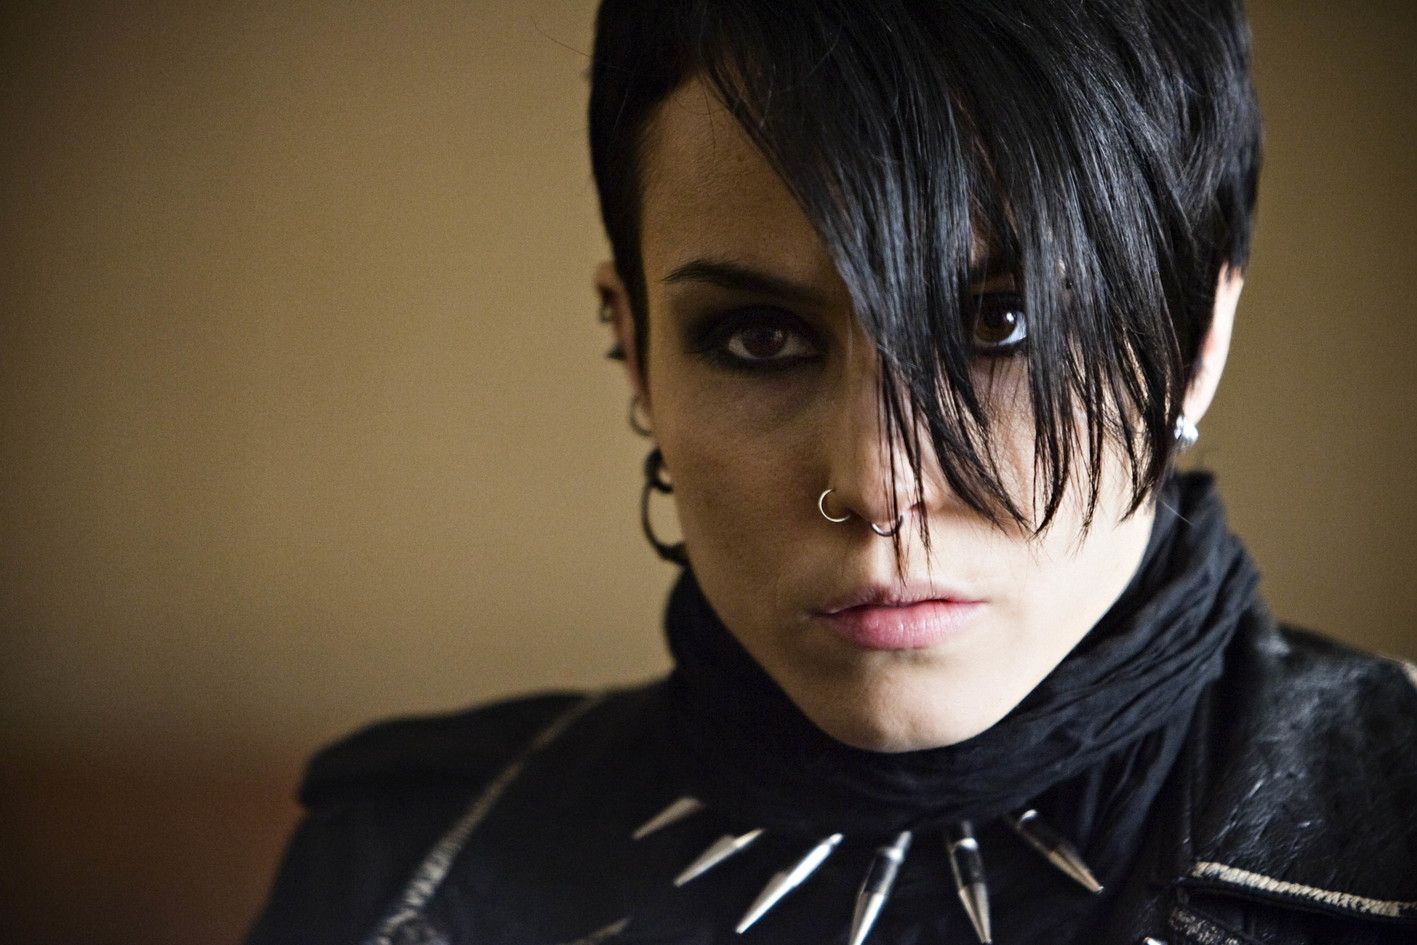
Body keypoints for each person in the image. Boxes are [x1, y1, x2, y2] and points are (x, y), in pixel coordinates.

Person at [244, 1, 1417, 943]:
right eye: (757, 338)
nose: (875, 483)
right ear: (633, 345)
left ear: (1196, 337)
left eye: (1001, 324)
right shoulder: (398, 873)